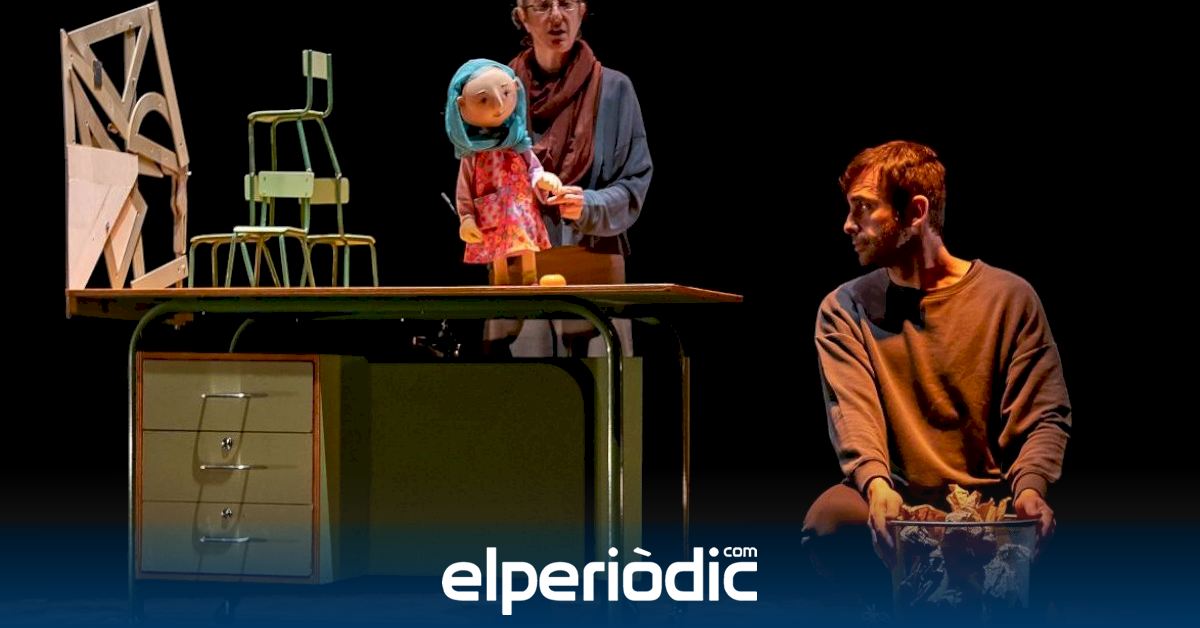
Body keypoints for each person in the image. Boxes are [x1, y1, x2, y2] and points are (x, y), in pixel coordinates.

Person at [802, 140, 1071, 606]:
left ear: (915, 212)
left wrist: (1030, 487)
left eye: (863, 208)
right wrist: (876, 484)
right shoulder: (844, 308)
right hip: (899, 499)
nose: (848, 224)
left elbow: (1045, 413)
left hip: (990, 502)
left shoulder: (1009, 298)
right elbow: (853, 415)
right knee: (827, 523)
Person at [487, 0, 652, 357]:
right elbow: (480, 176)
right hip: (518, 266)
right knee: (519, 382)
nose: (556, 17)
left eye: (566, 4)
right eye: (542, 6)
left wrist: (589, 204)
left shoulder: (615, 90)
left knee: (597, 382)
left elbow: (635, 181)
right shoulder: (496, 91)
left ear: (582, 10)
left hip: (593, 260)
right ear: (522, 17)